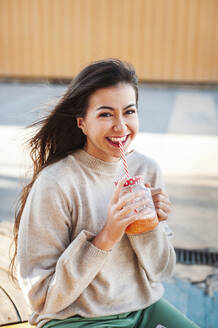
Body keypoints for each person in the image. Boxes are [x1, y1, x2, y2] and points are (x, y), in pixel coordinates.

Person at [11, 59, 199, 328]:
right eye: (105, 114)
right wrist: (107, 235)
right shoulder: (56, 182)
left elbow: (162, 271)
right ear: (82, 122)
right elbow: (41, 298)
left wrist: (151, 227)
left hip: (142, 309)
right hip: (75, 319)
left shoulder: (147, 170)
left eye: (129, 112)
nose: (121, 126)